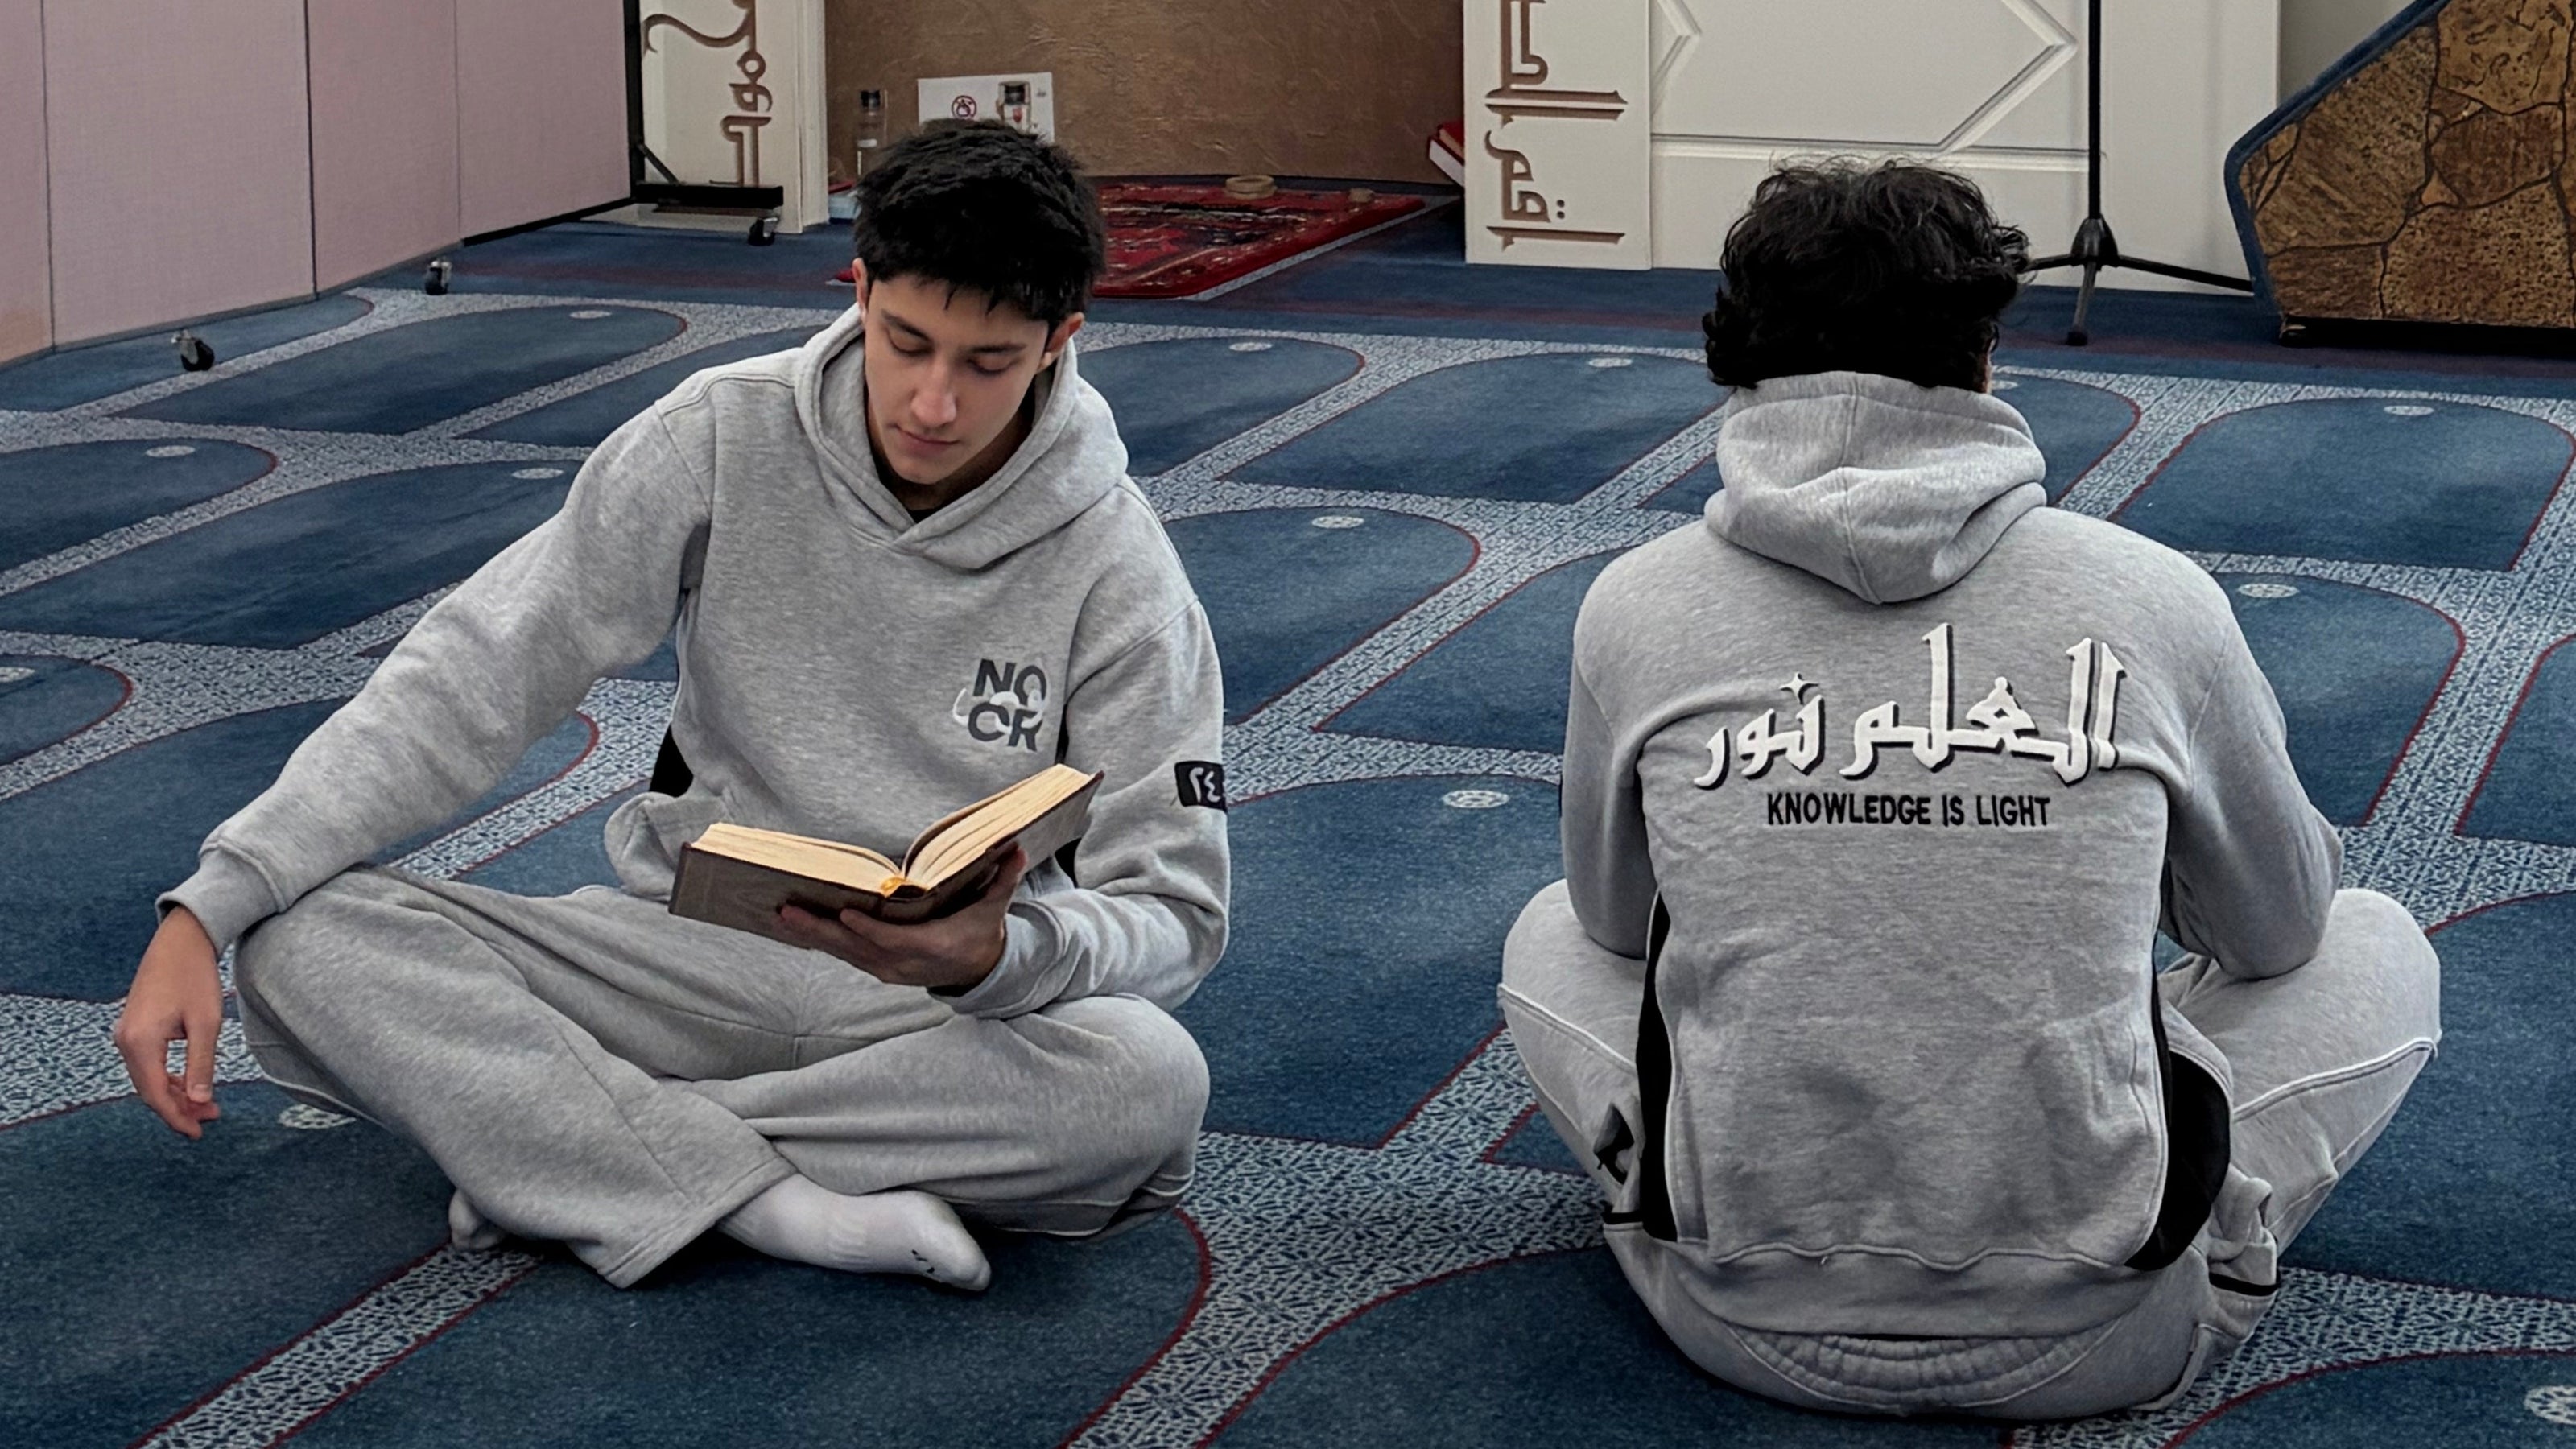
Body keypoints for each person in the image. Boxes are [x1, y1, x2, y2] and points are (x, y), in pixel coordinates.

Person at [113, 121, 1228, 1294]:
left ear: (1062, 343)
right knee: (300, 938)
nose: (935, 402)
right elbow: (482, 671)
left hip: (932, 1019)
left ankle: (569, 1146)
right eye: (906, 342)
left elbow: (1177, 911)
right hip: (680, 961)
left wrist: (1001, 952)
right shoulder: (719, 431)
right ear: (857, 291)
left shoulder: (1121, 571)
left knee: (1144, 1087)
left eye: (988, 362)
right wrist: (210, 905)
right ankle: (774, 1202)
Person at [1499, 159, 2440, 1417]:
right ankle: (2190, 1191)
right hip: (2109, 1330)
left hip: (1734, 1318)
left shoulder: (1636, 603)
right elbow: (2278, 937)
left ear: (1736, 361)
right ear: (1985, 350)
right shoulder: (2149, 594)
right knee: (2376, 940)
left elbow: (1615, 928)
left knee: (1547, 930)